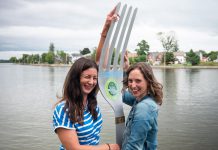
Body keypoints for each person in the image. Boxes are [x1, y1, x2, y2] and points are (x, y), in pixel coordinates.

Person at [52, 57, 120, 150]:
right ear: (76, 78)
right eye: (87, 77)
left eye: (95, 78)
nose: (91, 82)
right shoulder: (63, 110)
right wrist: (108, 147)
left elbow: (102, 61)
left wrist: (104, 41)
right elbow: (74, 148)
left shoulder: (90, 101)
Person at [121, 62, 163, 150]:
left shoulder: (144, 107)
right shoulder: (141, 98)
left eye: (138, 81)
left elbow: (134, 147)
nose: (133, 85)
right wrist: (125, 70)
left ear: (148, 81)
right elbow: (121, 96)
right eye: (130, 80)